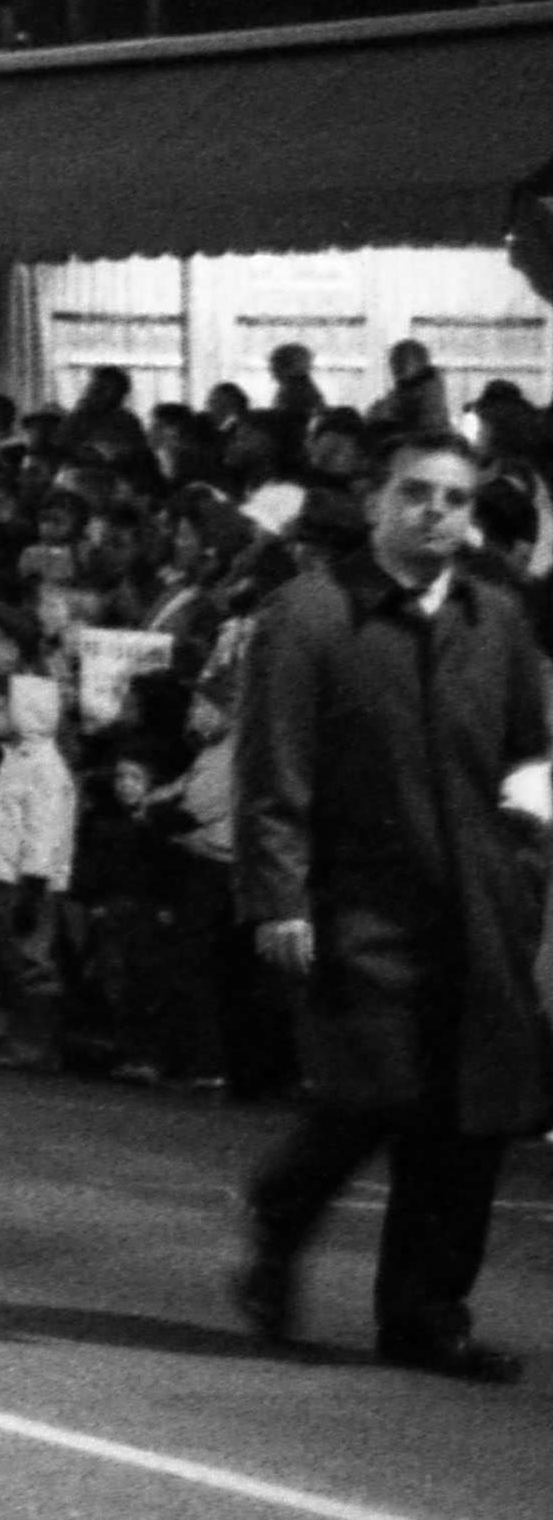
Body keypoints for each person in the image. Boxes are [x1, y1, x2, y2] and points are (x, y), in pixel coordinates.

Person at [226, 430, 552, 1380]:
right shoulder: (314, 614)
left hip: (482, 903)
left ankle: (425, 1318)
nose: (436, 512)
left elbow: (531, 758)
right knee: (375, 1089)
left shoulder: (496, 614)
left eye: (455, 498)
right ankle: (280, 1214)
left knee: (468, 1115)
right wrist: (277, 894)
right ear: (376, 502)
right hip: (356, 900)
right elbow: (270, 767)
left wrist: (531, 858)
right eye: (415, 493)